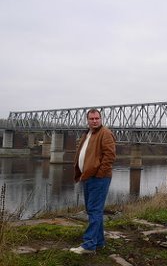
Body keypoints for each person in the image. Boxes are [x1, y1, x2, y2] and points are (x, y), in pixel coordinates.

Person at [70, 108, 116, 254]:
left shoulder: (105, 133)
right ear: (87, 120)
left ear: (101, 119)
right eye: (92, 119)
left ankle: (89, 245)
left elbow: (110, 156)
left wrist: (100, 174)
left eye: (97, 118)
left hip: (98, 178)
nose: (94, 121)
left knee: (94, 210)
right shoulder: (87, 133)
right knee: (93, 210)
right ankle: (99, 242)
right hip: (88, 177)